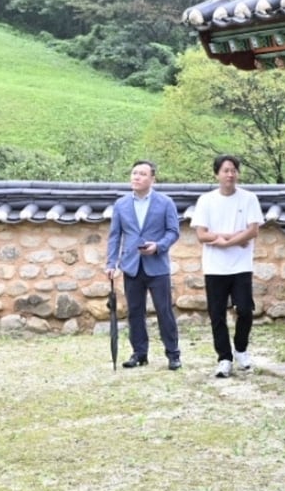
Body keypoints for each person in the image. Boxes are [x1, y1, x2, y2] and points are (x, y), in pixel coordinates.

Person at [191, 154, 264, 379]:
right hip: (215, 267)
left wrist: (227, 241)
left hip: (241, 266)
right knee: (217, 314)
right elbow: (201, 234)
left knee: (244, 309)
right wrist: (234, 238)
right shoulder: (206, 200)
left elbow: (253, 230)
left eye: (233, 170)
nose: (230, 174)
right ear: (217, 174)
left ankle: (240, 349)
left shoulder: (249, 198)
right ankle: (224, 358)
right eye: (225, 170)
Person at [106, 160, 182, 370]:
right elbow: (115, 236)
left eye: (142, 174)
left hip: (157, 265)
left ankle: (173, 354)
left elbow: (173, 231)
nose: (136, 177)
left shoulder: (165, 202)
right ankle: (139, 353)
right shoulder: (121, 204)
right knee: (135, 311)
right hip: (131, 265)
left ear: (152, 179)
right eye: (134, 173)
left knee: (163, 310)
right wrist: (111, 262)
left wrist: (158, 246)